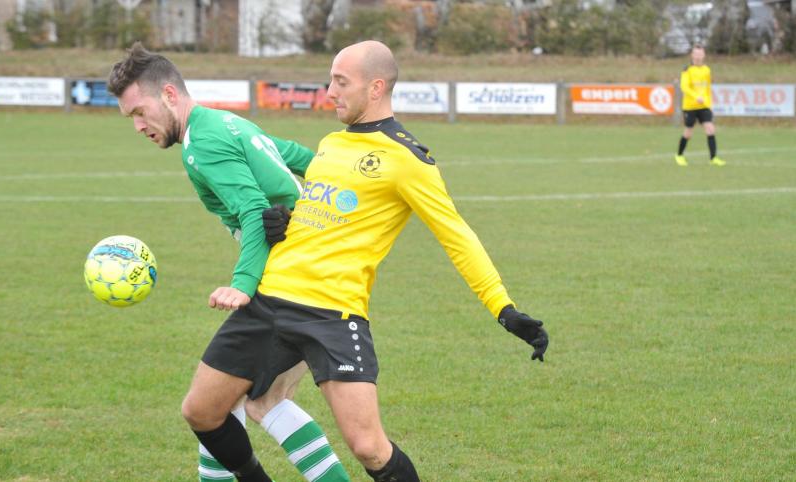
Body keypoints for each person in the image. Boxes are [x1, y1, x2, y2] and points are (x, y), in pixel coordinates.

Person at [187, 40, 549, 482]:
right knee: (201, 411)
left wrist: (503, 307)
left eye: (341, 81)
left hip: (331, 313)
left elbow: (457, 236)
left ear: (376, 87)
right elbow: (326, 212)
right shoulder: (331, 144)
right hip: (268, 299)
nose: (329, 92)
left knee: (368, 447)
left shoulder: (407, 159)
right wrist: (287, 221)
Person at [106, 43, 350, 482]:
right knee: (243, 404)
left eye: (139, 112)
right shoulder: (225, 120)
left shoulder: (204, 144)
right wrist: (347, 190)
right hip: (316, 276)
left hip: (283, 284)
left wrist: (243, 282)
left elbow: (255, 211)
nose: (138, 126)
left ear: (168, 94)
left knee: (205, 409)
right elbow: (294, 156)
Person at [675, 45, 725, 167]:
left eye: (700, 54)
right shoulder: (687, 70)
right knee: (688, 133)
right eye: (696, 54)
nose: (698, 57)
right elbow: (684, 87)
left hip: (704, 106)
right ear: (692, 55)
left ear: (704, 55)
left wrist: (709, 103)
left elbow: (707, 88)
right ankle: (679, 155)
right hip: (690, 107)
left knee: (710, 129)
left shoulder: (707, 70)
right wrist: (695, 96)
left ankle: (713, 158)